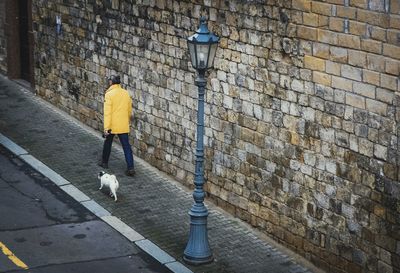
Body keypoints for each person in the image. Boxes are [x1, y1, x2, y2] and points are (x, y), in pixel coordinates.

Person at [98, 75, 135, 176]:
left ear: (111, 83)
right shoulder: (126, 93)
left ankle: (104, 162)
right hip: (123, 125)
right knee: (126, 147)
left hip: (112, 126)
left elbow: (107, 113)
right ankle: (130, 167)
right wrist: (127, 121)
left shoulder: (109, 94)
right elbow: (129, 110)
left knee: (108, 143)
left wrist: (106, 128)